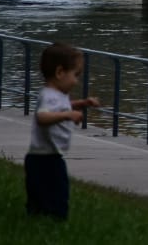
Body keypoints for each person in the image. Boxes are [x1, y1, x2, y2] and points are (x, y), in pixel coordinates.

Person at [24, 42, 101, 220]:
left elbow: (61, 107)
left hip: (47, 155)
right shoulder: (48, 95)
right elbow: (42, 117)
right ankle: (54, 219)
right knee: (57, 192)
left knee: (45, 190)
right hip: (45, 158)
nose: (76, 81)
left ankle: (40, 216)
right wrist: (68, 115)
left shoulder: (58, 96)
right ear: (60, 72)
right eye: (75, 75)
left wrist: (82, 104)